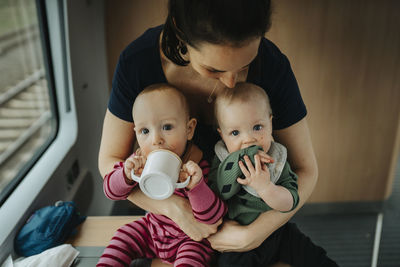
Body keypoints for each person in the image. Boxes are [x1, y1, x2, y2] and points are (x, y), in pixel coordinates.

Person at [98, 0, 318, 265]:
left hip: (251, 222)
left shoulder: (273, 66)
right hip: (171, 226)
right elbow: (109, 161)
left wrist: (254, 234)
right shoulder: (137, 63)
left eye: (245, 65)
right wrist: (175, 209)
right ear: (180, 32)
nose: (231, 82)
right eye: (214, 69)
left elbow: (306, 170)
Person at [97, 84, 227, 267]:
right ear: (136, 134)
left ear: (189, 129)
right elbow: (111, 191)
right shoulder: (139, 162)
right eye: (145, 131)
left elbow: (213, 217)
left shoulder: (196, 166)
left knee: (193, 257)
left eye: (167, 127)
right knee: (123, 235)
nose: (156, 139)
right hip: (152, 230)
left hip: (189, 239)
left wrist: (196, 187)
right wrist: (125, 175)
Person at [210, 82, 338, 266]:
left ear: (270, 122)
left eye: (257, 127)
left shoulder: (276, 159)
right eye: (235, 132)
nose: (249, 139)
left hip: (277, 232)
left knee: (315, 257)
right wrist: (243, 159)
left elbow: (289, 202)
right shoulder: (222, 159)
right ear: (222, 135)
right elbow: (219, 191)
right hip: (237, 239)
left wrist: (266, 188)